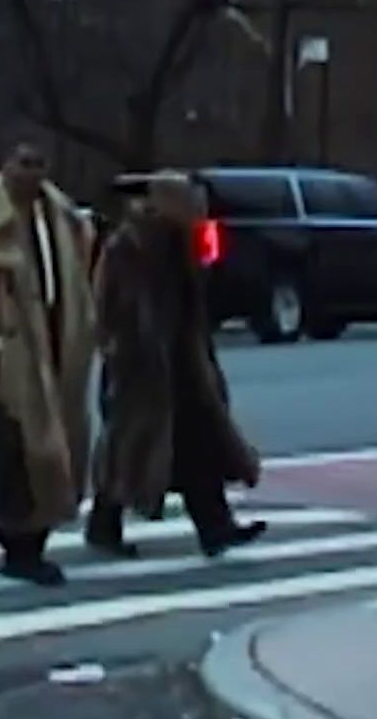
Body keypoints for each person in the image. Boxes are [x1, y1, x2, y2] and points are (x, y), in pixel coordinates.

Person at [86, 172, 265, 559]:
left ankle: (215, 525)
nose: (197, 208)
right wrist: (117, 345)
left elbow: (205, 288)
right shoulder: (128, 244)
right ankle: (104, 522)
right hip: (141, 360)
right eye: (188, 201)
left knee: (197, 440)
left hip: (183, 356)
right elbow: (107, 301)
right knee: (130, 443)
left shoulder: (182, 241)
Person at [0, 140, 97, 586]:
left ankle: (35, 537)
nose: (32, 173)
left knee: (60, 445)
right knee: (22, 448)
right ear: (5, 165)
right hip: (10, 346)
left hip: (55, 339)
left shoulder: (57, 214)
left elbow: (73, 269)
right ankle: (19, 543)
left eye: (39, 164)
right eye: (23, 163)